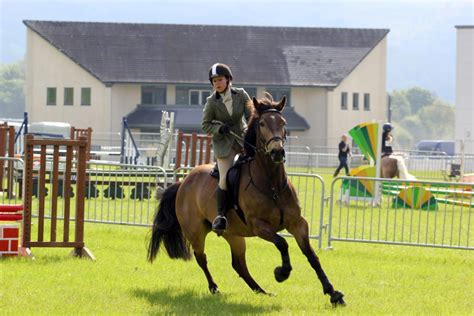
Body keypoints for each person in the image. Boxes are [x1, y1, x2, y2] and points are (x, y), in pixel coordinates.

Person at [202, 63, 253, 233]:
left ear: (228, 80)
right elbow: (205, 125)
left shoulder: (241, 94)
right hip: (224, 146)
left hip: (242, 140)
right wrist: (219, 129)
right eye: (214, 81)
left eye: (220, 79)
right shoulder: (211, 102)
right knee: (224, 178)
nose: (217, 83)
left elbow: (252, 115)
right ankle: (221, 216)